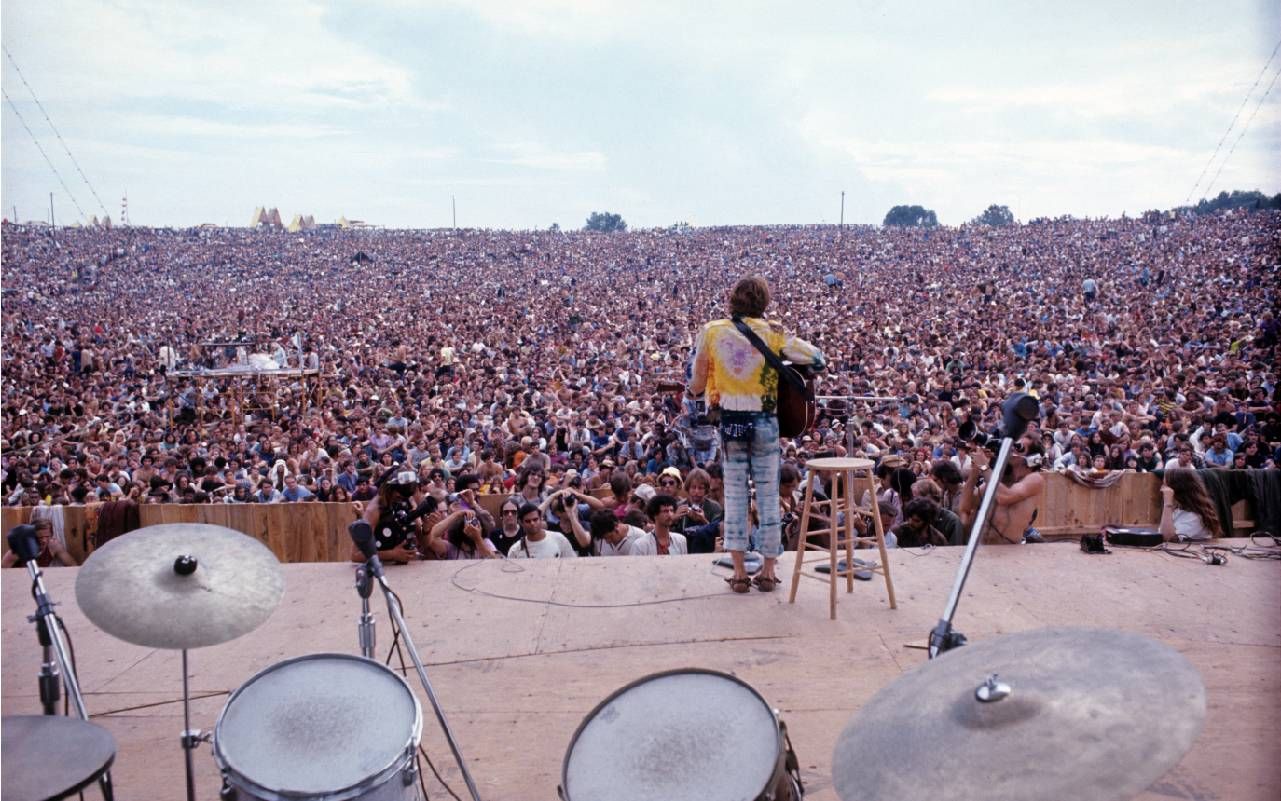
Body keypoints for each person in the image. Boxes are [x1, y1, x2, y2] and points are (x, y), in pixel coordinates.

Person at [689, 275, 825, 592]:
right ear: (764, 301)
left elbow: (696, 383)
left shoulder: (711, 331)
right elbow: (817, 359)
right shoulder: (773, 332)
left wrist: (699, 390)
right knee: (768, 497)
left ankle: (738, 574)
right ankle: (767, 572)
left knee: (735, 498)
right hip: (765, 423)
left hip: (731, 423)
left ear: (733, 299)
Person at [961, 441, 1046, 544]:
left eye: (1020, 448)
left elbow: (1004, 498)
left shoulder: (1035, 479)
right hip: (983, 550)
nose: (1012, 450)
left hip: (1009, 553)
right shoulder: (996, 481)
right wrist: (975, 471)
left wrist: (984, 466)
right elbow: (966, 507)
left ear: (1033, 458)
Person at [1159, 469, 1222, 542]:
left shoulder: (1195, 516)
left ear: (1177, 488)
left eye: (1165, 486)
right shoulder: (1178, 510)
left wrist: (1167, 504)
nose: (1161, 489)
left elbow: (1167, 537)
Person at [508, 502, 577, 559]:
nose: (532, 523)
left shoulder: (559, 539)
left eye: (535, 519)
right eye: (528, 521)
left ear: (541, 519)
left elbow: (572, 564)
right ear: (521, 522)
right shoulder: (515, 550)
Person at [2, 519, 77, 567]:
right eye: (40, 537)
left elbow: (73, 565)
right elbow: (2, 571)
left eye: (47, 536)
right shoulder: (20, 549)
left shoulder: (53, 545)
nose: (44, 540)